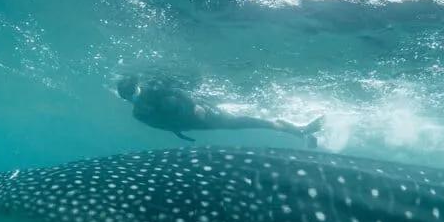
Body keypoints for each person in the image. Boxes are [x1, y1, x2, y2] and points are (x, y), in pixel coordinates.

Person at [116, 74, 323, 146]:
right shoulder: (138, 114)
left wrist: (195, 106)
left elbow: (179, 92)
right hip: (195, 125)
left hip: (203, 114)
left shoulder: (152, 90)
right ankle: (300, 132)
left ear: (137, 87)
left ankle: (300, 129)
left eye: (133, 92)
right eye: (129, 97)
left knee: (245, 122)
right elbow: (161, 125)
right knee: (243, 123)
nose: (133, 97)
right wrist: (178, 133)